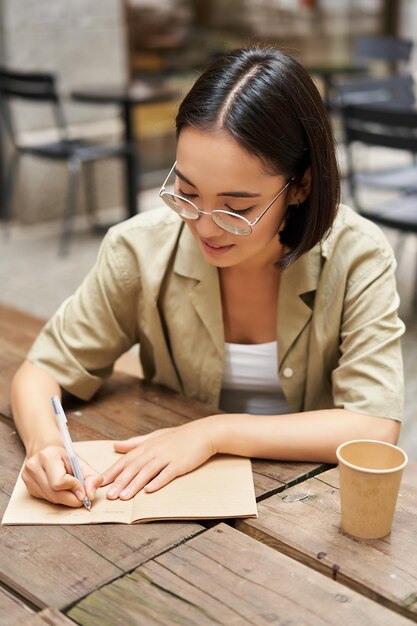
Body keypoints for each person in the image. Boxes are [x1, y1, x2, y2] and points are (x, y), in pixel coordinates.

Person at [11, 46, 404, 508]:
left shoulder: (357, 254)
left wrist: (214, 432)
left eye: (238, 208)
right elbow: (40, 373)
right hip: (175, 507)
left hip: (306, 503)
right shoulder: (139, 249)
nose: (205, 226)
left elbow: (374, 426)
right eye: (187, 191)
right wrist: (44, 446)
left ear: (301, 185)